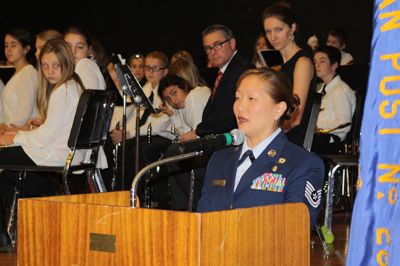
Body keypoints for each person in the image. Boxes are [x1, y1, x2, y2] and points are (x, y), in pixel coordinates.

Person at [197, 68, 324, 227]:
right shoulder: (220, 158)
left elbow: (296, 229)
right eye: (238, 98)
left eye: (251, 98)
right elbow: (200, 222)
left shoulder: (301, 163)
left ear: (278, 109)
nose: (240, 107)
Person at [0, 38, 85, 250]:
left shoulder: (62, 91)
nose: (49, 71)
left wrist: (14, 138)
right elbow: (53, 130)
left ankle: (3, 235)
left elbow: (44, 138)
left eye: (56, 65)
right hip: (62, 152)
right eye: (45, 66)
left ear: (67, 63)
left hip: (54, 154)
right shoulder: (72, 86)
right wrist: (29, 130)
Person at [167, 24, 253, 211]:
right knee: (175, 153)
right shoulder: (226, 71)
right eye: (208, 48)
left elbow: (232, 116)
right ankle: (194, 210)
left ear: (232, 43)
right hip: (219, 138)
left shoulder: (241, 71)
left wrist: (198, 132)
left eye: (217, 45)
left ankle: (192, 212)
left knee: (176, 154)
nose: (212, 51)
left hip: (233, 142)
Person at [262, 2, 316, 147]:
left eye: (278, 29)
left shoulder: (302, 62)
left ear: (292, 28)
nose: (273, 37)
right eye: (268, 31)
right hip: (281, 136)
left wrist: (265, 136)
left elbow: (296, 116)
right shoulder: (280, 67)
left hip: (293, 141)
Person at [312, 46, 356, 154]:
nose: (317, 65)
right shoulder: (322, 88)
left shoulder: (340, 90)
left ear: (334, 65)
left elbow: (344, 124)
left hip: (331, 140)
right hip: (321, 137)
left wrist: (314, 125)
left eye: (322, 61)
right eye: (315, 61)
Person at [0, 28, 38, 132]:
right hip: (12, 132)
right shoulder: (18, 73)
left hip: (20, 135)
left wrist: (6, 128)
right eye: (6, 45)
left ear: (26, 49)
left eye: (13, 45)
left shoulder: (28, 73)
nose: (9, 50)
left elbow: (24, 113)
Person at [64, 26, 106, 90]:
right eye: (68, 46)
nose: (73, 51)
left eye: (80, 47)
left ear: (89, 50)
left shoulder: (84, 66)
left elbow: (86, 99)